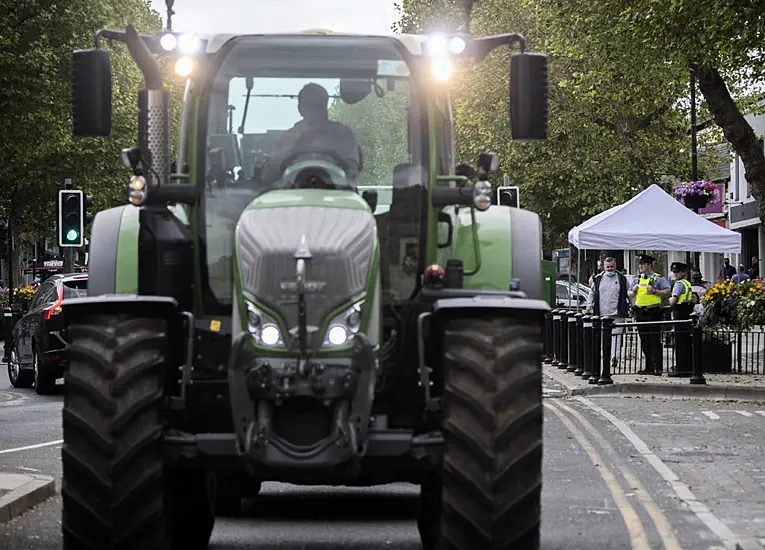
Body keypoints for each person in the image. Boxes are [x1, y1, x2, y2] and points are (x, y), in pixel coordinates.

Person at [261, 83, 361, 184]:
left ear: (326, 106)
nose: (316, 111)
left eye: (319, 105)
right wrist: (294, 146)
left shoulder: (342, 134)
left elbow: (352, 171)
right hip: (293, 193)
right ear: (300, 109)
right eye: (311, 105)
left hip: (336, 194)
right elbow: (267, 175)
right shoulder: (289, 137)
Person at [627, 254, 671, 375]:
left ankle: (658, 367)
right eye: (640, 264)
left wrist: (655, 291)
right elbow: (629, 293)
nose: (640, 266)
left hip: (653, 312)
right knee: (645, 340)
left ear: (649, 265)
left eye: (643, 264)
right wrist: (633, 291)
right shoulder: (637, 279)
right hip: (640, 312)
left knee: (655, 340)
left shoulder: (658, 278)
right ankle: (648, 367)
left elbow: (668, 291)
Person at [586, 257, 630, 370]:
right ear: (604, 267)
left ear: (615, 266)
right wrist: (589, 305)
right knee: (602, 336)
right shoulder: (599, 279)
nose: (610, 269)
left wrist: (632, 306)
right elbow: (592, 293)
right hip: (602, 313)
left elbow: (628, 293)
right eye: (608, 267)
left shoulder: (622, 278)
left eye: (612, 266)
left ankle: (615, 357)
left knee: (616, 336)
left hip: (617, 312)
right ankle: (605, 356)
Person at [667, 262, 694, 377]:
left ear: (683, 272)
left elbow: (673, 300)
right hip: (687, 313)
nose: (675, 274)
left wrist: (668, 301)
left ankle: (681, 368)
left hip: (679, 314)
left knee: (679, 343)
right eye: (674, 271)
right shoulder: (687, 283)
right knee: (686, 342)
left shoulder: (678, 284)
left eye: (677, 271)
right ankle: (688, 367)